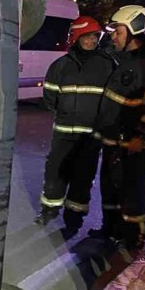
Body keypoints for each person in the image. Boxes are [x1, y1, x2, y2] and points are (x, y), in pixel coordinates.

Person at [89, 5, 145, 252]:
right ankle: (110, 230)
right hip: (113, 140)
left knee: (132, 191)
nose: (113, 36)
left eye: (118, 31)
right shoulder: (124, 60)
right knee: (110, 188)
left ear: (134, 31)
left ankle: (134, 237)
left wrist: (140, 137)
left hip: (133, 144)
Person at [34, 16, 115, 237]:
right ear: (76, 38)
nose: (92, 41)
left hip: (90, 136)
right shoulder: (60, 66)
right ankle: (49, 210)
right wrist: (67, 111)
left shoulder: (107, 65)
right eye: (87, 37)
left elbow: (111, 100)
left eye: (95, 37)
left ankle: (73, 221)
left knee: (82, 179)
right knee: (55, 175)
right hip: (63, 133)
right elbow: (49, 97)